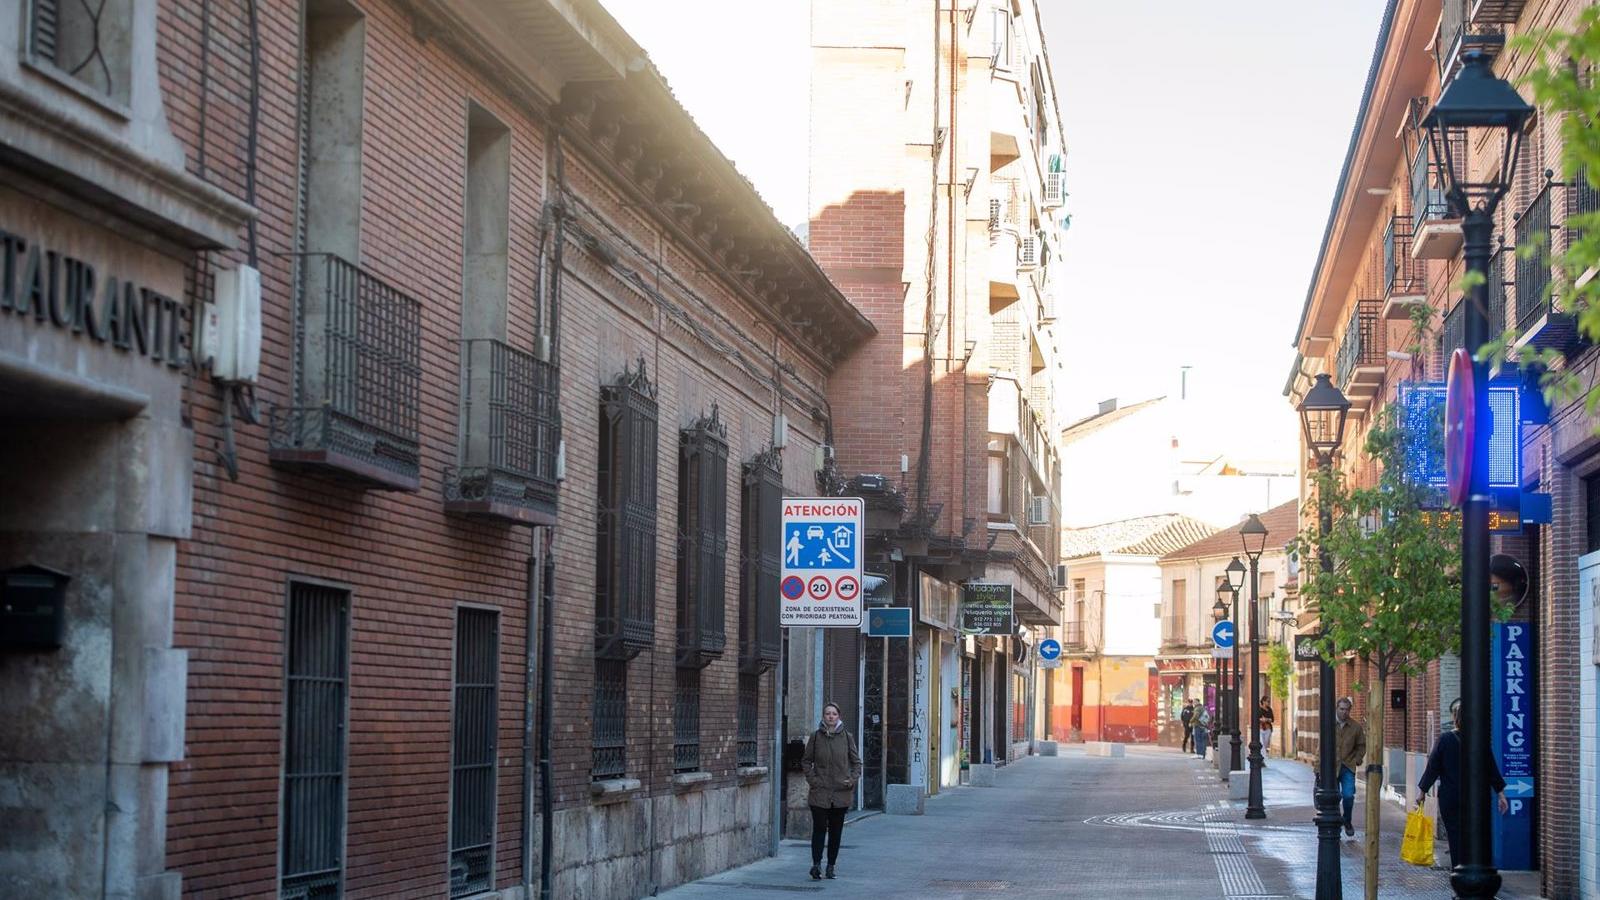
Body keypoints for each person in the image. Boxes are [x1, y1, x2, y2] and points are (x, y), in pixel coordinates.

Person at [1417, 699, 1510, 868]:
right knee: (1474, 835)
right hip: (1475, 798)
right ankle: (1475, 869)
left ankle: (1459, 873)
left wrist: (1422, 791)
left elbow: (1433, 767)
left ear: (1455, 718)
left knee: (1455, 836)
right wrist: (1501, 794)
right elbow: (1491, 768)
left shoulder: (1445, 740)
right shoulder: (1479, 741)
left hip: (1450, 797)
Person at [802, 702, 861, 881]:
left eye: (834, 714)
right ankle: (816, 865)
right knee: (819, 829)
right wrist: (813, 780)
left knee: (836, 832)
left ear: (839, 716)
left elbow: (856, 763)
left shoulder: (847, 737)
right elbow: (806, 761)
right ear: (823, 716)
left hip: (840, 793)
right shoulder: (816, 737)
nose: (830, 716)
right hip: (820, 793)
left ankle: (831, 866)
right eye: (827, 713)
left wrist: (851, 780)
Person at [1334, 697, 1366, 838]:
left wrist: (1358, 759)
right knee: (1333, 798)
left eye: (1347, 709)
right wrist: (1318, 769)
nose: (1344, 712)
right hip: (1332, 767)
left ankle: (1347, 820)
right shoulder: (1329, 725)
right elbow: (1321, 748)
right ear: (1337, 708)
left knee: (1348, 795)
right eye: (1341, 709)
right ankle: (1335, 826)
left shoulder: (1356, 727)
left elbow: (1361, 746)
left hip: (1348, 766)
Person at [1256, 697, 1275, 763]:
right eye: (1267, 701)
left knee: (1265, 743)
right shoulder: (1259, 709)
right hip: (1260, 729)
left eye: (1269, 701)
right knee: (1261, 743)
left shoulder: (1269, 710)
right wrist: (1262, 719)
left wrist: (1266, 719)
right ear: (1263, 701)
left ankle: (1262, 759)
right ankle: (1263, 758)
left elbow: (1272, 719)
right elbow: (1257, 718)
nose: (1268, 702)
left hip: (1268, 729)